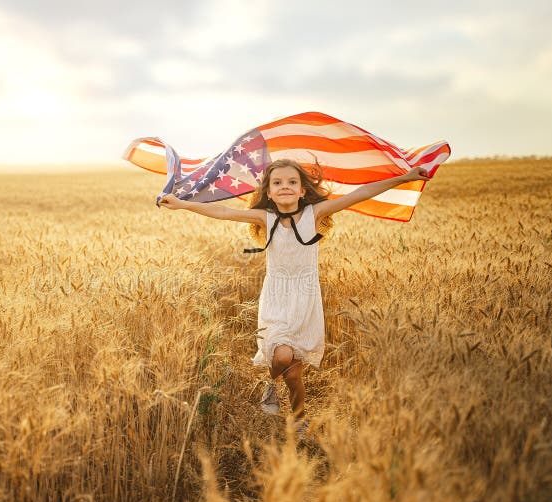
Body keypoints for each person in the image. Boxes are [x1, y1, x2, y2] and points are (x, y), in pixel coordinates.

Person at [159, 159, 429, 439]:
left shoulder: (315, 213)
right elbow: (223, 211)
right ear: (268, 192)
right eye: (277, 183)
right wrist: (183, 204)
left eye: (291, 182)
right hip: (277, 296)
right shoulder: (265, 217)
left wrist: (404, 178)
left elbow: (357, 195)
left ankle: (299, 419)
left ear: (302, 191)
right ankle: (269, 382)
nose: (284, 187)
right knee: (282, 353)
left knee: (294, 374)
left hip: (306, 299)